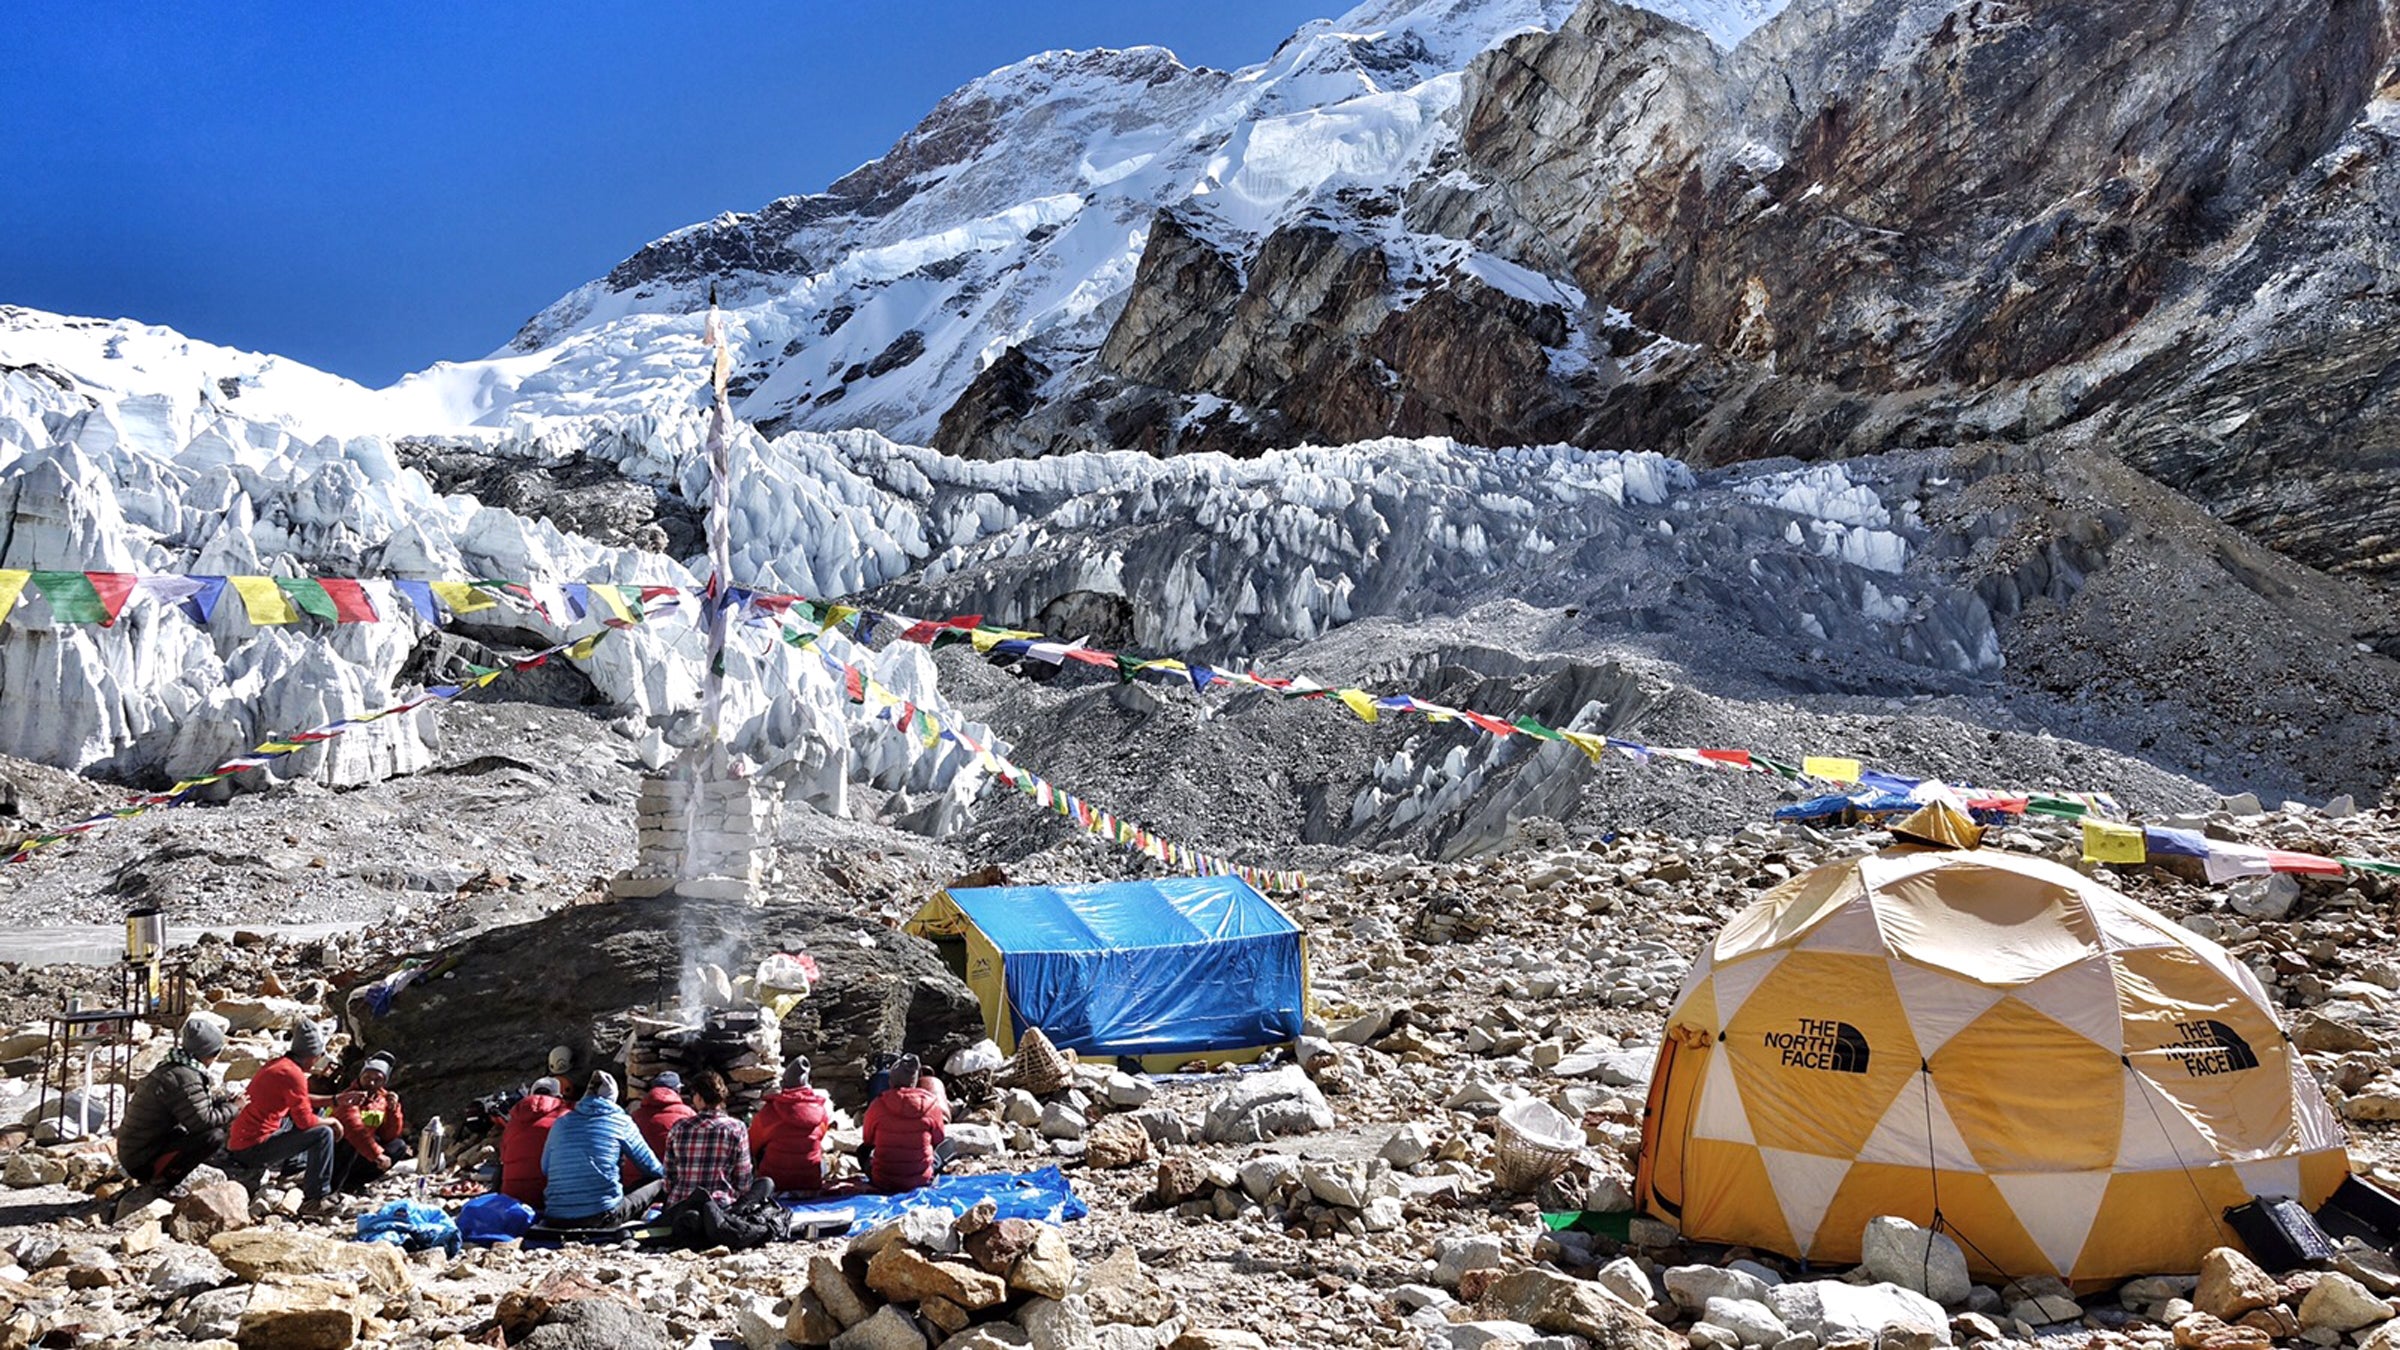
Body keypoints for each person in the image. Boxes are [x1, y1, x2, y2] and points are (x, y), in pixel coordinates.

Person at [225, 1020, 339, 1216]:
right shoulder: (293, 1075)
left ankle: (295, 1169)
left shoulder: (279, 1065)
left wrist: (334, 1101)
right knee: (323, 1133)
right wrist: (333, 1121)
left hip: (243, 1140)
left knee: (315, 1111)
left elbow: (300, 1099)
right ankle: (316, 1199)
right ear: (312, 1055)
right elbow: (305, 1122)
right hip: (251, 1149)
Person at [116, 1016, 244, 1192]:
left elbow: (192, 1107)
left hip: (137, 1147)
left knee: (220, 1108)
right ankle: (161, 1179)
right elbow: (202, 1123)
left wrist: (224, 1104)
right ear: (205, 1054)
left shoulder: (174, 1065)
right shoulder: (185, 1077)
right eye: (215, 1053)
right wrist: (235, 1108)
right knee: (213, 1137)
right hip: (141, 1159)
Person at [540, 1071, 663, 1226]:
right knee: (659, 1182)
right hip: (601, 1216)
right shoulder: (620, 1122)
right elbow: (650, 1166)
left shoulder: (561, 1123)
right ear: (614, 1098)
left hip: (555, 1217)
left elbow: (545, 1168)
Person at [661, 1069, 767, 1208]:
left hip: (680, 1205)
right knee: (766, 1183)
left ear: (699, 1097)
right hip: (720, 1207)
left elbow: (669, 1178)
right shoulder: (737, 1128)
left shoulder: (679, 1128)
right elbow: (743, 1180)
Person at [858, 1054, 946, 1194]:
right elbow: (939, 1139)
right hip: (920, 1179)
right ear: (915, 1081)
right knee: (947, 1146)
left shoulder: (878, 1104)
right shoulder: (932, 1104)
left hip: (883, 1180)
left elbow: (868, 1139)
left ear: (891, 1080)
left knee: (862, 1150)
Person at [328, 1054, 410, 1193]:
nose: (371, 1083)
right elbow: (354, 1129)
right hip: (338, 1150)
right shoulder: (349, 1096)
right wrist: (377, 1155)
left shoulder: (382, 1100)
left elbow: (388, 1136)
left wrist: (393, 1110)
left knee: (398, 1146)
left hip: (364, 1151)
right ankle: (333, 1186)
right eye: (367, 1078)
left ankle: (353, 1183)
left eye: (377, 1080)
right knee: (351, 1143)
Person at [750, 1058, 833, 1195]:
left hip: (775, 1183)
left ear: (784, 1085)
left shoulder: (769, 1111)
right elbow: (820, 1138)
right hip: (810, 1183)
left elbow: (752, 1146)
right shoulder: (821, 1111)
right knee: (820, 1156)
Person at [498, 1076, 569, 1208]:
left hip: (512, 1197)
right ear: (558, 1096)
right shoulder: (566, 1117)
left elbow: (503, 1156)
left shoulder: (512, 1122)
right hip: (549, 1196)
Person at [628, 1071, 693, 1176]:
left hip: (635, 1181)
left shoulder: (635, 1116)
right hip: (670, 1179)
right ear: (677, 1090)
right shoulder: (688, 1115)